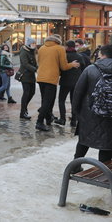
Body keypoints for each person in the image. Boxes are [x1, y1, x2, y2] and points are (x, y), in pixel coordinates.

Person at [71, 44, 112, 172]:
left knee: (84, 140)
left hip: (89, 113)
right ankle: (104, 173)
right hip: (110, 115)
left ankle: (75, 166)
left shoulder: (90, 69)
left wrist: (76, 112)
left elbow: (78, 92)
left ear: (101, 54)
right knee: (107, 144)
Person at [35, 34, 80, 131]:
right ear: (58, 41)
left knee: (45, 100)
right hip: (51, 78)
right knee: (48, 101)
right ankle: (39, 122)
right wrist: (72, 64)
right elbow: (63, 66)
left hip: (40, 77)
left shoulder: (42, 48)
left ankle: (48, 119)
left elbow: (39, 62)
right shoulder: (59, 48)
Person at [54, 40, 84, 127]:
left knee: (61, 100)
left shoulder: (64, 56)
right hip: (76, 82)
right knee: (73, 101)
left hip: (65, 82)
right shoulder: (79, 56)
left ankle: (62, 119)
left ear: (67, 47)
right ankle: (74, 121)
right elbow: (83, 67)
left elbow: (61, 68)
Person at [18, 38, 38, 120]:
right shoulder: (24, 50)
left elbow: (34, 61)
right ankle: (22, 112)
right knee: (26, 93)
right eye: (33, 43)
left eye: (35, 43)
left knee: (32, 92)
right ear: (29, 44)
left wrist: (37, 66)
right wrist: (35, 69)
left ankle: (24, 108)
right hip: (25, 75)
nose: (34, 44)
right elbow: (25, 63)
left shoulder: (32, 50)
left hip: (31, 75)